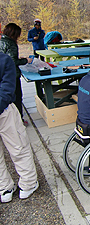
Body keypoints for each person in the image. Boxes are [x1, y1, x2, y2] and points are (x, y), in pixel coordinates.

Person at [0, 52, 39, 203]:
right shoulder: (4, 59)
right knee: (19, 148)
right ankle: (28, 184)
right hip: (4, 111)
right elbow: (8, 88)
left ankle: (4, 189)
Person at [0, 23, 33, 126]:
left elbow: (6, 58)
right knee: (17, 98)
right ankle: (19, 120)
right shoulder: (11, 43)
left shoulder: (2, 41)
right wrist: (25, 60)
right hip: (12, 76)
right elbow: (12, 62)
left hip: (2, 74)